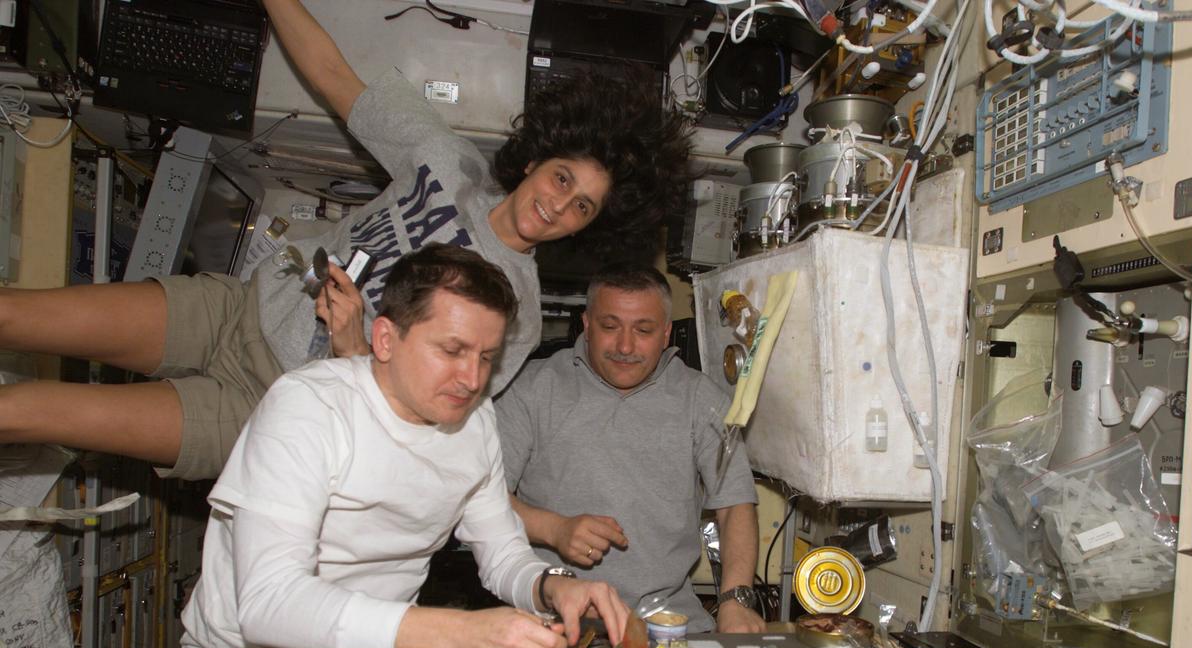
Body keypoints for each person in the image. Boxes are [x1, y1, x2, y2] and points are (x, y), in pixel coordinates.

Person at [0, 0, 692, 481]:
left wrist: (356, 349)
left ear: (590, 226)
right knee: (14, 312)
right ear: (542, 155)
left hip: (272, 412)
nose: (558, 204)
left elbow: (426, 418)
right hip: (237, 309)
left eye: (582, 207)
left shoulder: (519, 309)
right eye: (562, 177)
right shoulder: (447, 164)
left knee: (25, 412)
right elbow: (336, 80)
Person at [175, 244, 629, 648]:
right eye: (453, 350)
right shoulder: (310, 408)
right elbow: (268, 604)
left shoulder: (474, 425)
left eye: (487, 357)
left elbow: (502, 554)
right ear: (386, 339)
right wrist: (455, 635)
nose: (472, 378)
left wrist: (554, 586)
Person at [495, 266, 764, 634]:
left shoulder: (701, 400)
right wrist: (553, 530)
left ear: (666, 332)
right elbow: (482, 501)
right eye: (610, 326)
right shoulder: (530, 390)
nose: (625, 346)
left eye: (643, 330)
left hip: (667, 624)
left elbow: (734, 507)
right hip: (554, 620)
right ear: (586, 325)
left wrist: (736, 600)